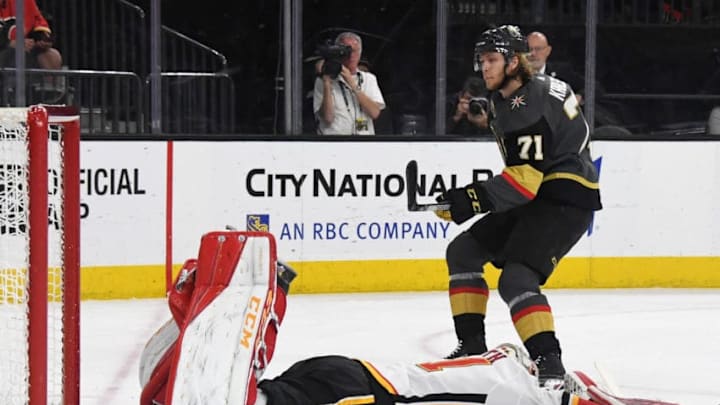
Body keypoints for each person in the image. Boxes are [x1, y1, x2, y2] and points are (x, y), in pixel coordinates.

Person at [434, 24, 602, 387]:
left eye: (492, 59)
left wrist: (470, 199)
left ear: (514, 62)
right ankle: (472, 348)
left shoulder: (526, 105)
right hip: (544, 187)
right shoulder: (526, 92)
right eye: (481, 60)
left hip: (565, 195)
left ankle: (551, 368)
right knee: (463, 252)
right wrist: (489, 115)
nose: (484, 68)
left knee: (517, 278)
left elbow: (524, 183)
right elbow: (531, 146)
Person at [313, 32, 385, 135]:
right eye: (346, 51)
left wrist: (352, 84)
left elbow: (375, 113)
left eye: (354, 51)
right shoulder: (323, 81)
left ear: (360, 54)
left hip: (363, 142)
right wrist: (327, 84)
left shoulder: (369, 79)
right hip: (334, 142)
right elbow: (328, 118)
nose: (351, 55)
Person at [0, 0, 62, 69]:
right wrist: (9, 43)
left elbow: (37, 21)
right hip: (4, 47)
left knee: (52, 55)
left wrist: (41, 39)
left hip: (23, 46)